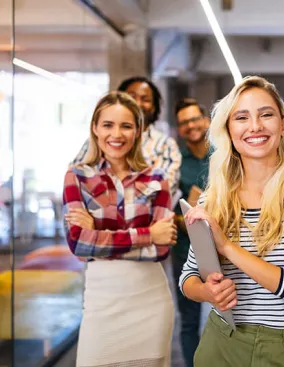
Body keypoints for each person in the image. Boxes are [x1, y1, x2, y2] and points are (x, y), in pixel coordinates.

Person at [179, 76, 284, 367]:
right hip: (220, 343)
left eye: (266, 114)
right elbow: (188, 275)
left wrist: (227, 248)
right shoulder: (212, 200)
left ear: (283, 125)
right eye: (241, 117)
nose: (255, 126)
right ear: (229, 130)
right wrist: (207, 292)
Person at [63, 91, 177, 367]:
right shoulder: (77, 176)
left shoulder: (156, 178)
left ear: (138, 131)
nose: (117, 134)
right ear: (95, 128)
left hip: (150, 302)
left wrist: (99, 238)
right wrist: (148, 234)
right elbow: (79, 243)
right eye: (108, 125)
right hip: (101, 304)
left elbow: (161, 249)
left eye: (126, 125)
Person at [72, 76, 181, 195]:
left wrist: (105, 202)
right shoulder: (100, 138)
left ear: (154, 107)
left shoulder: (166, 145)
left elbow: (160, 193)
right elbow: (75, 183)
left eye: (145, 99)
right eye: (132, 97)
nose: (137, 103)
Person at [172, 97, 211, 367]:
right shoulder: (174, 163)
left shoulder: (226, 156)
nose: (191, 125)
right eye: (184, 122)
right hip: (185, 250)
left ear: (206, 121)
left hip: (227, 248)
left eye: (195, 119)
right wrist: (180, 220)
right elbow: (163, 210)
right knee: (188, 320)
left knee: (233, 312)